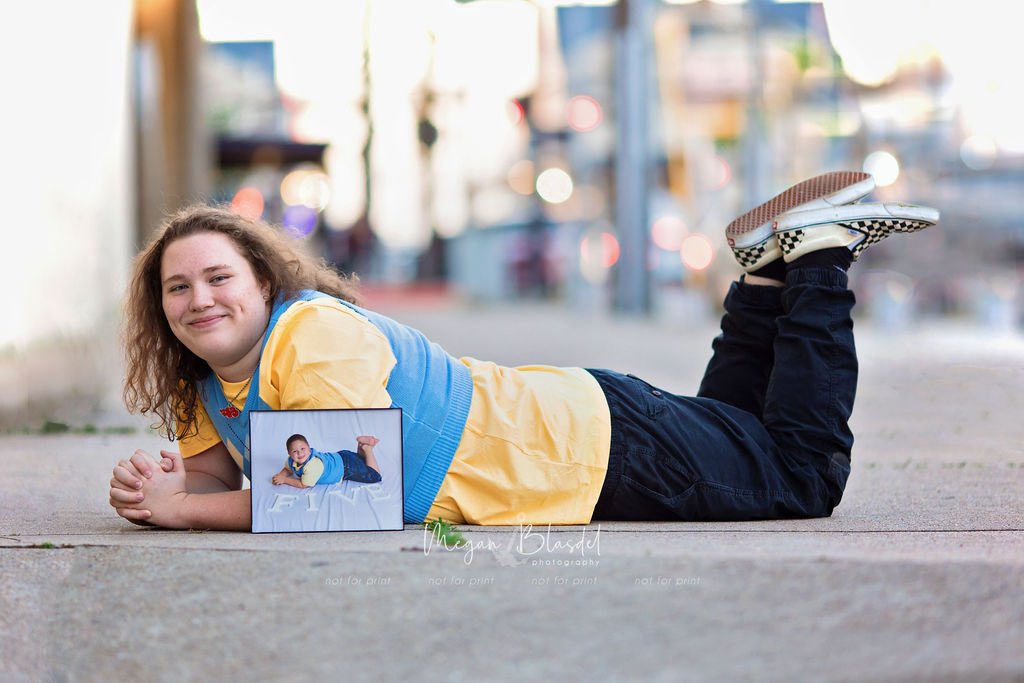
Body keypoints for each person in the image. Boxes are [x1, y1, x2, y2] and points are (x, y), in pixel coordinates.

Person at [108, 171, 939, 531]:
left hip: (587, 454)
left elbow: (343, 495)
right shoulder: (203, 377)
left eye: (217, 277)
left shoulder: (311, 336)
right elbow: (218, 476)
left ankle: (820, 253)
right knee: (737, 427)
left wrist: (183, 512)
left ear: (262, 280)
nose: (198, 300)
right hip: (578, 426)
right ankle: (765, 275)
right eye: (176, 289)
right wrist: (172, 485)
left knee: (799, 475)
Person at [271, 434, 383, 488]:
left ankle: (367, 449)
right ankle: (362, 446)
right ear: (289, 454)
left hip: (345, 468)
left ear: (309, 449)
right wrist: (279, 476)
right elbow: (287, 468)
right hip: (341, 456)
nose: (300, 453)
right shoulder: (291, 461)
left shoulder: (312, 465)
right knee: (361, 461)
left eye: (302, 449)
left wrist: (284, 480)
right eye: (295, 451)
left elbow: (303, 484)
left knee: (374, 476)